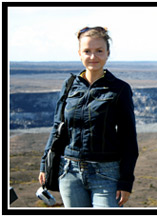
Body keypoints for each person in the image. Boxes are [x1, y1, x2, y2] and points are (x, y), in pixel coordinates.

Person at [38, 26, 139, 208]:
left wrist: (126, 181)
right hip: (69, 172)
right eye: (87, 51)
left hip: (106, 174)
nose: (93, 57)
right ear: (79, 53)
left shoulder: (120, 89)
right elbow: (57, 127)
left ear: (107, 53)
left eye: (99, 51)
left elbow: (129, 138)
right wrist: (45, 164)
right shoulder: (69, 86)